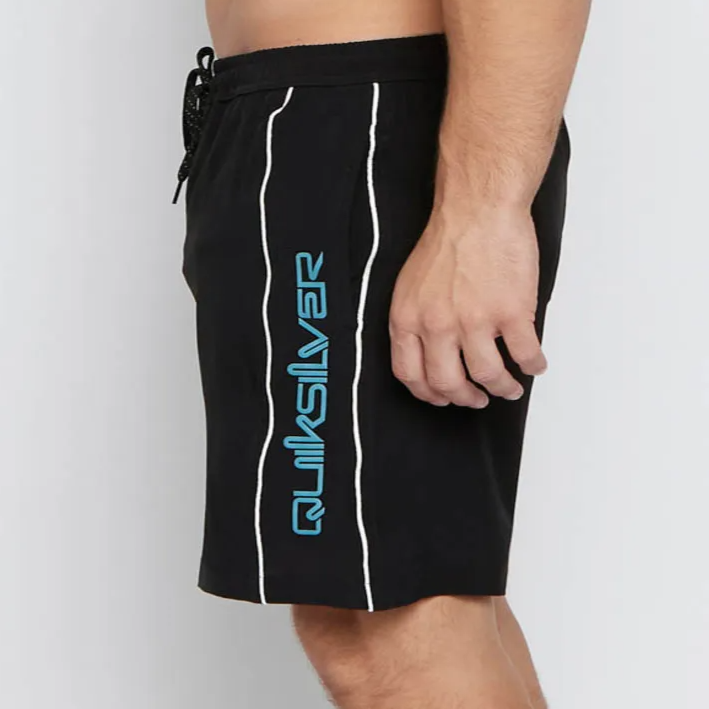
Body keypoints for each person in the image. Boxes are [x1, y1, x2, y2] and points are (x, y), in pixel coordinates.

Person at [174, 0, 590, 706]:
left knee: (386, 630)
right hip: (307, 116)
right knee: (420, 611)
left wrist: (481, 215)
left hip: (352, 130)